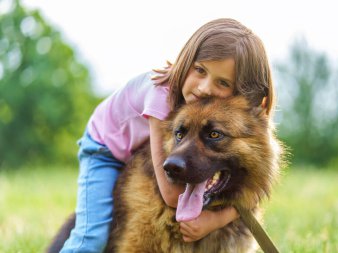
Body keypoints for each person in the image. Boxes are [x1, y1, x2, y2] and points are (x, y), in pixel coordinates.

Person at [60, 18, 275, 252]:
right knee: (91, 236)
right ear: (187, 60)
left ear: (244, 93)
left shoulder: (223, 108)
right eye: (200, 70)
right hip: (103, 148)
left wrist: (215, 219)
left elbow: (254, 188)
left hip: (136, 145)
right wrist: (207, 221)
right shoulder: (160, 96)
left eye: (222, 82)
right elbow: (172, 195)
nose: (204, 88)